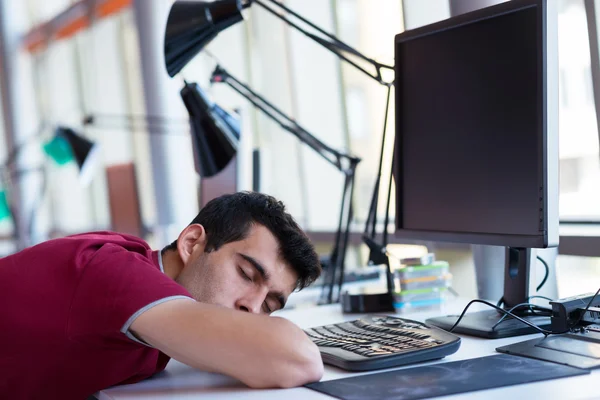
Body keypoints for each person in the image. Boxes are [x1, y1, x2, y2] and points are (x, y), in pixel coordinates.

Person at [0, 191, 324, 399]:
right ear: (191, 243)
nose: (252, 307)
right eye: (246, 275)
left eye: (270, 304)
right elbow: (298, 360)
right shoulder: (117, 272)